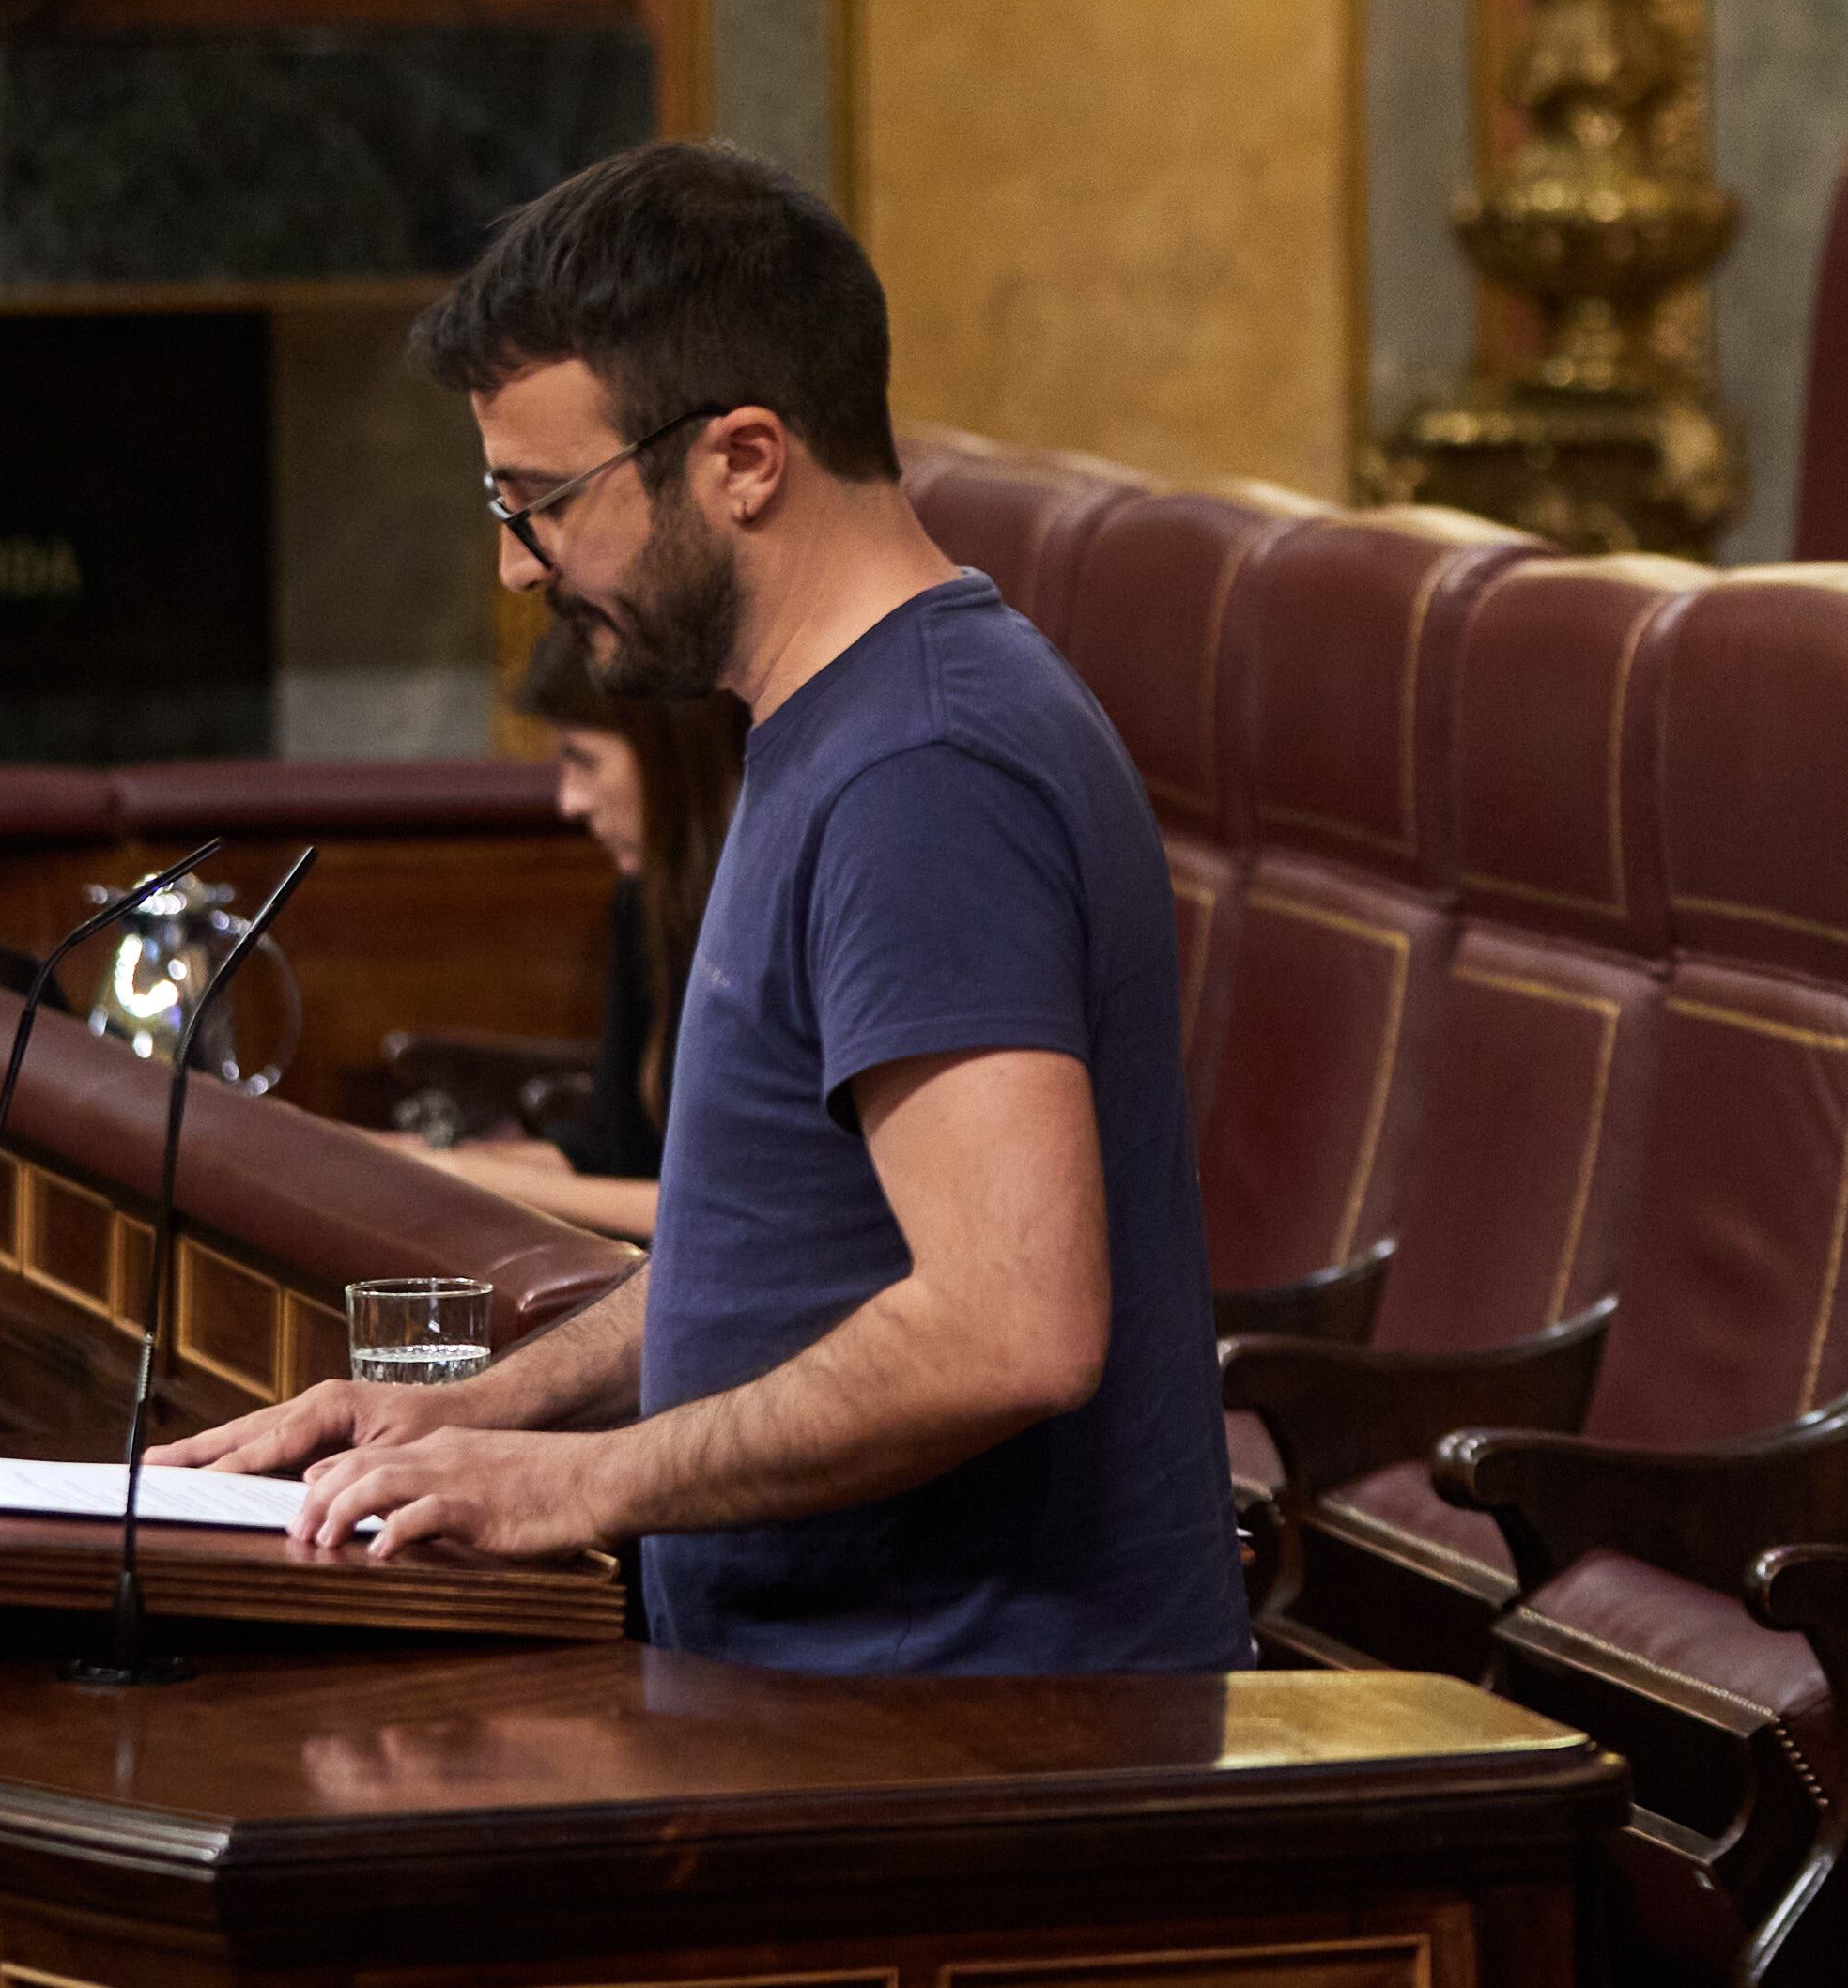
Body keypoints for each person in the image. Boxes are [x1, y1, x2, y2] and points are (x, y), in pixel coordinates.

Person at [168, 139, 1250, 1676]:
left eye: (543, 500)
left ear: (742, 458)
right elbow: (784, 1260)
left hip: (966, 1755)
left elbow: (1016, 1325)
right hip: (842, 1714)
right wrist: (489, 1410)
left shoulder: (924, 771)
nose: (513, 562)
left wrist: (582, 1481)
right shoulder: (832, 724)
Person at [406, 617, 744, 1242]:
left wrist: (451, 1172)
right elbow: (614, 1154)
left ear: (674, 755)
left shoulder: (762, 909)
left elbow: (732, 1212)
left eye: (585, 761)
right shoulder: (647, 897)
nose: (569, 801)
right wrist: (387, 1155)